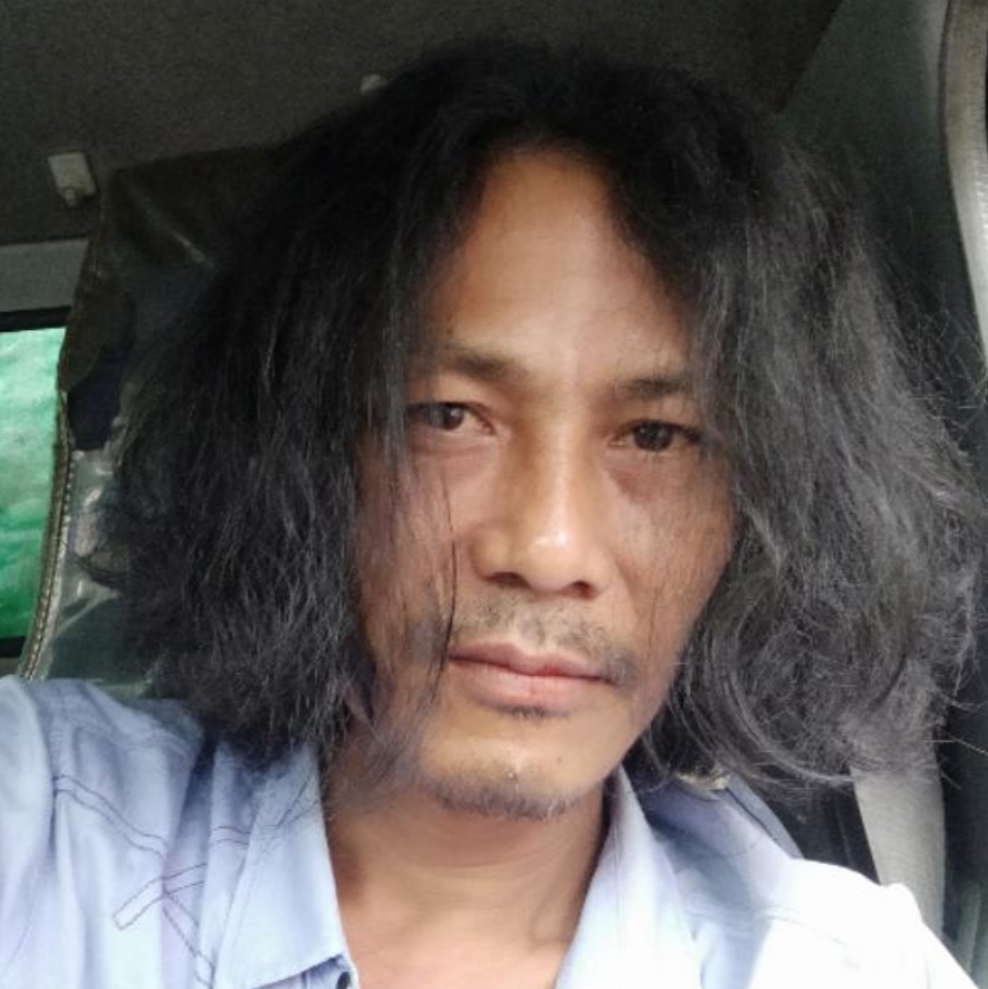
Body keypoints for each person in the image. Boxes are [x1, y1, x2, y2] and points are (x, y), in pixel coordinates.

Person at [1, 40, 984, 989]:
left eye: (655, 436)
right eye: (448, 415)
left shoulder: (843, 968)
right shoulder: (43, 836)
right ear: (304, 459)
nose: (549, 549)